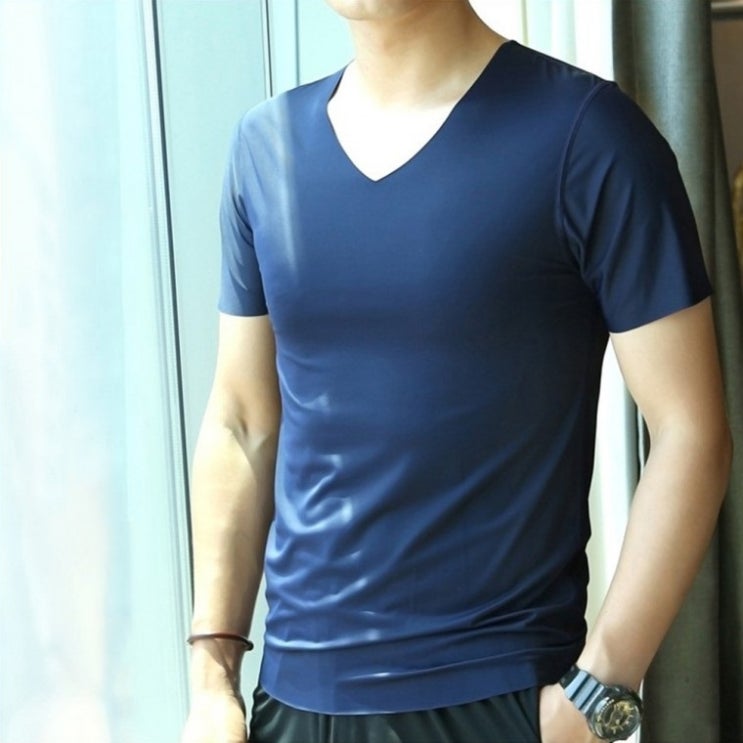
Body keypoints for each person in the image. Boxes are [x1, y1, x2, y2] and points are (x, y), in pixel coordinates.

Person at [179, 2, 732, 742]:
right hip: (293, 699)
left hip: (495, 694)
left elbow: (691, 432)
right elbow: (242, 423)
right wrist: (211, 680)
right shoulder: (266, 146)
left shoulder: (588, 135)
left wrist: (594, 697)